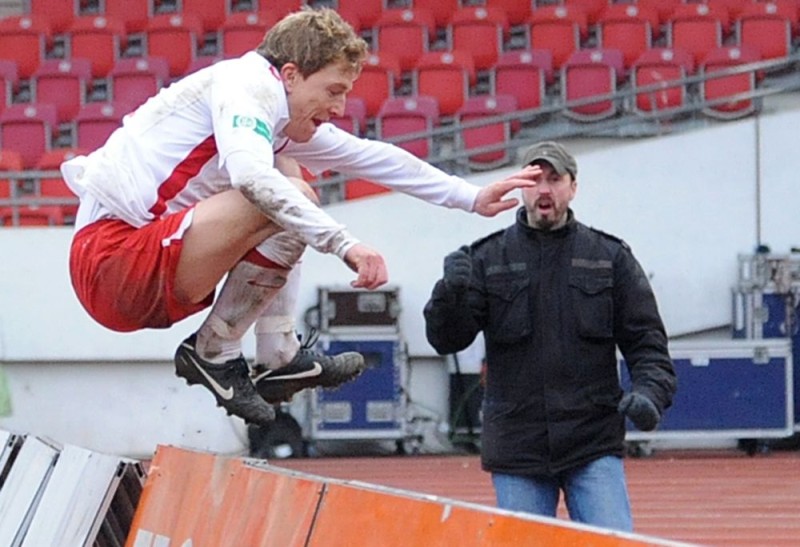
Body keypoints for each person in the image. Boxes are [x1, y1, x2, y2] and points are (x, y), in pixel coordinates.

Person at [61, 8, 538, 427]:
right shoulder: (244, 86)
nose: (338, 107)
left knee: (290, 173)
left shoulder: (280, 119)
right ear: (289, 75)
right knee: (286, 184)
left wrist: (471, 197)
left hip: (153, 269)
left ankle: (277, 356)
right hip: (112, 259)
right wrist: (344, 243)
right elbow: (249, 177)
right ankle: (217, 352)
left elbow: (376, 157)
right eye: (333, 90)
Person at [423, 141, 677, 532]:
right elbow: (447, 340)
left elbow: (648, 343)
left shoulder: (610, 257)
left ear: (572, 187)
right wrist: (448, 295)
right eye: (534, 179)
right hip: (517, 447)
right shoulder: (487, 259)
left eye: (554, 179)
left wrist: (650, 394)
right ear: (520, 188)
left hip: (592, 442)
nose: (544, 189)